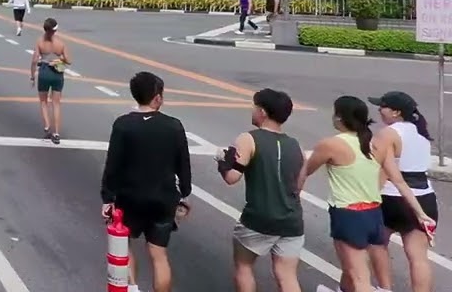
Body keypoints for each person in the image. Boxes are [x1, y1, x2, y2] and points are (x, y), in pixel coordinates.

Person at [298, 96, 434, 292]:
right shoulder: (390, 142)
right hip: (378, 212)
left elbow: (305, 172)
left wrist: (293, 197)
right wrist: (421, 213)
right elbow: (398, 180)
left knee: (359, 275)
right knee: (356, 266)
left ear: (339, 118)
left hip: (350, 214)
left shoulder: (334, 144)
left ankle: (382, 289)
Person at [101, 71, 193, 292]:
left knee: (126, 246)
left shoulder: (123, 125)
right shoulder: (174, 126)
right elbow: (184, 164)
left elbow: (112, 165)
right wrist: (185, 193)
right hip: (162, 199)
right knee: (159, 255)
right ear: (157, 97)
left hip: (129, 198)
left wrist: (107, 197)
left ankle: (132, 287)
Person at [215, 88, 305, 292]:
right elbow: (298, 185)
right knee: (287, 275)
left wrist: (222, 161)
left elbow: (232, 177)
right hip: (292, 221)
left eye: (254, 107)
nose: (252, 111)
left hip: (258, 218)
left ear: (263, 112)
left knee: (244, 267)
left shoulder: (248, 139)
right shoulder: (295, 145)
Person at [368, 91, 438, 292]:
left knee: (377, 245)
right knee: (418, 257)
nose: (379, 110)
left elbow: (381, 168)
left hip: (391, 197)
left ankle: (384, 288)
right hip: (424, 196)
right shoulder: (422, 134)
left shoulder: (388, 133)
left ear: (396, 112)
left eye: (383, 106)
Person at [29, 18, 68, 143]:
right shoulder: (60, 44)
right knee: (56, 103)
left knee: (43, 101)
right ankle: (56, 133)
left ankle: (47, 126)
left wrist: (32, 76)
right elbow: (69, 60)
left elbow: (35, 60)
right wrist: (59, 60)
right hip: (57, 73)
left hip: (44, 72)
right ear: (55, 29)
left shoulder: (40, 42)